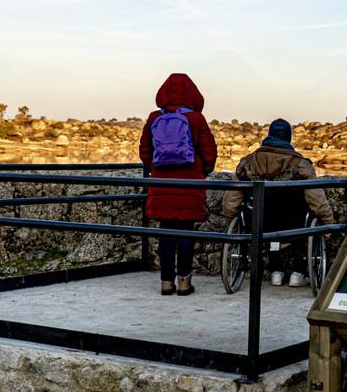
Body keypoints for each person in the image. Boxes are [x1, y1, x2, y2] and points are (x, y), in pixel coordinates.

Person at [221, 118, 335, 287]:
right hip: (293, 221)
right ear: (288, 138)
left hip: (260, 221)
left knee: (267, 215)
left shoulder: (248, 163)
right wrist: (328, 223)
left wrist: (232, 220)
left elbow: (232, 199)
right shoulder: (300, 165)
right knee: (303, 213)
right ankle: (298, 272)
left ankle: (276, 271)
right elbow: (316, 200)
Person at [139, 73, 218, 296]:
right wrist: (201, 171)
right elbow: (209, 151)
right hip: (190, 183)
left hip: (162, 183)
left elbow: (145, 151)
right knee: (186, 233)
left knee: (165, 232)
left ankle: (165, 282)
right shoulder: (196, 119)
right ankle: (184, 282)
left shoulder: (155, 117)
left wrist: (156, 169)